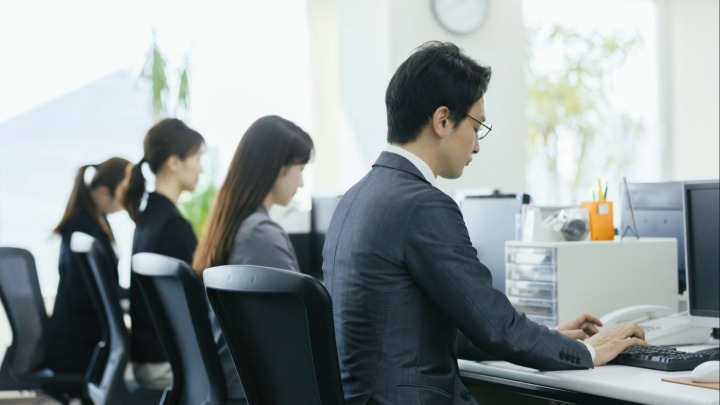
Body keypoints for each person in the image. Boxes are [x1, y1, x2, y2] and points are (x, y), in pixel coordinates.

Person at [321, 41, 647, 404]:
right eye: (476, 127)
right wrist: (589, 351)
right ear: (442, 121)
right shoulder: (422, 205)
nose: (476, 146)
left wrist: (550, 338)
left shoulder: (353, 199)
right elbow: (496, 326)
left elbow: (432, 328)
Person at [193, 114, 314, 399]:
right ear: (277, 167)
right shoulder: (261, 234)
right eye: (300, 169)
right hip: (256, 390)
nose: (301, 182)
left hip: (237, 385)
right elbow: (298, 330)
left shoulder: (233, 223)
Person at [123, 118, 204, 390]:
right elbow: (199, 303)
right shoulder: (173, 225)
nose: (201, 169)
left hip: (150, 358)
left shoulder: (148, 216)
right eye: (197, 159)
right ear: (174, 162)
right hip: (166, 365)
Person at [45, 157, 131, 378]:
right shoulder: (80, 228)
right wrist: (124, 300)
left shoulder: (96, 220)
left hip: (86, 338)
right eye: (124, 191)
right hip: (75, 347)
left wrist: (126, 297)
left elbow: (103, 284)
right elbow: (84, 293)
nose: (127, 199)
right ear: (103, 192)